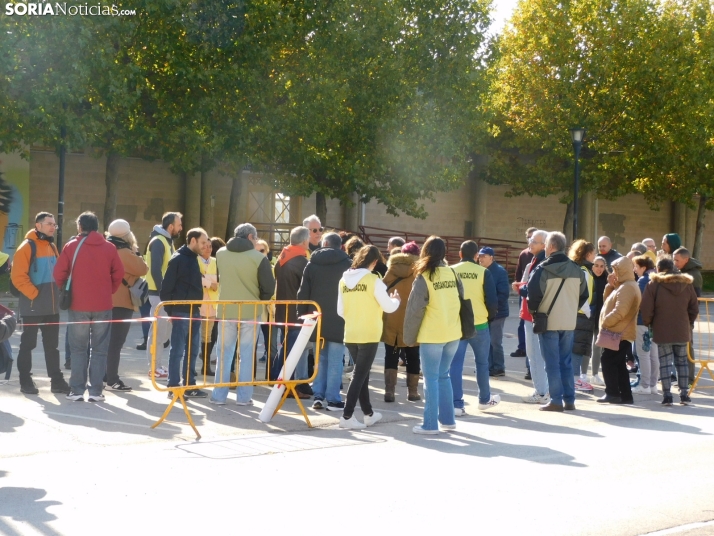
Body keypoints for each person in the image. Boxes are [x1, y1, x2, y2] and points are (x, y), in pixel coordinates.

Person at [54, 212, 124, 402]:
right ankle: (96, 392)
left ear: (80, 226)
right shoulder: (109, 248)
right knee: (100, 349)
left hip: (78, 304)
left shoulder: (71, 246)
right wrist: (109, 289)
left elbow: (59, 272)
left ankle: (76, 390)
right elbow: (119, 272)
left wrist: (65, 288)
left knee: (78, 349)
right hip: (103, 304)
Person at [210, 223, 275, 406]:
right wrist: (260, 298)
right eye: (255, 238)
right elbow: (269, 287)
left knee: (224, 353)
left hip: (225, 309)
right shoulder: (258, 258)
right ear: (250, 237)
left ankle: (218, 396)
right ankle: (244, 397)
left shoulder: (220, 254)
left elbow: (219, 278)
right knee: (246, 354)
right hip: (250, 310)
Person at [404, 236, 462, 434]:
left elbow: (414, 310)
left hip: (432, 334)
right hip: (453, 332)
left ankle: (430, 424)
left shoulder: (424, 276)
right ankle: (448, 420)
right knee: (443, 376)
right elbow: (461, 300)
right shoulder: (453, 273)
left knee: (431, 379)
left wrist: (409, 337)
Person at [337, 245, 400, 429]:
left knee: (361, 374)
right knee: (359, 375)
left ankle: (368, 414)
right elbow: (389, 307)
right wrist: (396, 299)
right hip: (369, 332)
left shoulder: (343, 279)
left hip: (351, 332)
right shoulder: (373, 280)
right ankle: (347, 416)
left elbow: (340, 310)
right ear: (373, 262)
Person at [11, 212, 70, 395]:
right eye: (49, 224)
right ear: (38, 226)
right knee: (28, 344)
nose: (53, 227)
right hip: (32, 306)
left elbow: (59, 272)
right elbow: (17, 277)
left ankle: (57, 381)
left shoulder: (52, 246)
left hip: (52, 307)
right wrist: (35, 295)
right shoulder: (26, 247)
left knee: (52, 346)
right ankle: (25, 381)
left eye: (54, 224)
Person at [527, 232, 587, 412]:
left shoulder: (542, 269)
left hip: (548, 321)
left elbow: (533, 296)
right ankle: (569, 400)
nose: (545, 248)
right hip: (569, 322)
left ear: (551, 247)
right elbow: (583, 295)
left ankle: (555, 400)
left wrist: (536, 313)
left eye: (546, 245)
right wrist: (569, 308)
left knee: (551, 363)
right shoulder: (577, 269)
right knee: (566, 362)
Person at [297, 232, 352, 411]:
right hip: (339, 318)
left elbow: (303, 293)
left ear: (325, 243)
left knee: (320, 360)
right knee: (336, 360)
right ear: (340, 245)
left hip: (317, 317)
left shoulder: (312, 264)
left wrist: (302, 316)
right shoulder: (348, 265)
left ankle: (318, 396)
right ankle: (334, 399)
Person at [640, 257, 698, 405]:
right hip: (682, 328)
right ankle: (684, 394)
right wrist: (688, 322)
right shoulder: (687, 284)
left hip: (662, 328)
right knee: (682, 362)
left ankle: (667, 395)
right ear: (673, 268)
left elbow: (646, 309)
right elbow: (694, 308)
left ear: (658, 269)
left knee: (665, 362)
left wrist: (649, 323)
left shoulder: (653, 285)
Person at [159, 228, 210, 398]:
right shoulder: (178, 259)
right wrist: (171, 312)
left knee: (193, 350)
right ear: (193, 241)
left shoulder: (195, 259)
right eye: (203, 242)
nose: (205, 246)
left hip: (194, 311)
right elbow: (166, 289)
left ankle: (189, 385)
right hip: (180, 312)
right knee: (178, 350)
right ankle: (173, 386)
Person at [450, 240, 499, 415]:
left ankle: (457, 404)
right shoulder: (483, 272)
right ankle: (484, 399)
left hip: (459, 324)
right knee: (482, 363)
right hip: (480, 323)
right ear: (477, 256)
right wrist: (489, 317)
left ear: (460, 254)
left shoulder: (452, 270)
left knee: (455, 364)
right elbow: (492, 301)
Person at [105, 219, 148, 391]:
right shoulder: (125, 252)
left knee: (104, 342)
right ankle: (112, 379)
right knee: (116, 342)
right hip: (121, 302)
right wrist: (136, 252)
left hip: (104, 300)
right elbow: (143, 269)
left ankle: (102, 374)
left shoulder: (106, 249)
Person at [272, 226, 311, 396]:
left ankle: (280, 382)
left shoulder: (283, 257)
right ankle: (284, 386)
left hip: (283, 310)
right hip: (297, 312)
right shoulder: (301, 262)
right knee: (291, 352)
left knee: (286, 348)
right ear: (304, 241)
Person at [596, 256, 641, 405]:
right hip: (620, 333)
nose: (613, 273)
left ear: (622, 270)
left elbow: (620, 311)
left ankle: (612, 393)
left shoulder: (627, 287)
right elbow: (609, 302)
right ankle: (625, 395)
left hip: (619, 333)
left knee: (607, 360)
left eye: (616, 270)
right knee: (619, 363)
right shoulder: (625, 285)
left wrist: (605, 322)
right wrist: (611, 286)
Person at [381, 241, 421, 402]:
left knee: (390, 355)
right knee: (413, 356)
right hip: (412, 319)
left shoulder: (391, 270)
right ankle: (412, 392)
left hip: (392, 316)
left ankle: (389, 391)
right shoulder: (418, 271)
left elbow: (382, 290)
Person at [145, 212, 183, 378]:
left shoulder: (166, 242)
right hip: (159, 295)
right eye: (179, 225)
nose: (181, 228)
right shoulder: (159, 242)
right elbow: (155, 270)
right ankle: (154, 367)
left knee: (162, 333)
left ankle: (157, 365)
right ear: (170, 226)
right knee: (158, 333)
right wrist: (164, 294)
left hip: (164, 295)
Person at [516, 230, 549, 404]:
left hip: (534, 315)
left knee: (535, 355)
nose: (530, 243)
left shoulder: (542, 263)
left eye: (534, 241)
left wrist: (521, 289)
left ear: (545, 245)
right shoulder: (534, 261)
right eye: (530, 240)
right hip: (531, 314)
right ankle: (544, 390)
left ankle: (541, 392)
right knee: (536, 354)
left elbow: (532, 290)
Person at [567, 240, 595, 392]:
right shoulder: (584, 271)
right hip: (581, 313)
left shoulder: (576, 268)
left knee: (575, 346)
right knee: (578, 347)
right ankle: (575, 379)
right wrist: (589, 312)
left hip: (575, 312)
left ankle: (574, 378)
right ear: (588, 254)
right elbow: (582, 295)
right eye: (593, 253)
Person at [477, 247, 509, 377]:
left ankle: (499, 367)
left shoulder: (499, 272)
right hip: (485, 312)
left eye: (484, 256)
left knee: (495, 341)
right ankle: (488, 366)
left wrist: (493, 307)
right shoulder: (480, 271)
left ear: (491, 257)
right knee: (486, 341)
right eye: (480, 256)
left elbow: (503, 294)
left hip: (497, 313)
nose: (481, 258)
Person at [673, 246, 702, 383]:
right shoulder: (681, 271)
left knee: (687, 348)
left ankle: (689, 379)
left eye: (677, 260)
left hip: (686, 317)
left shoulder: (694, 275)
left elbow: (695, 301)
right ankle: (682, 377)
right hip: (679, 316)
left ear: (686, 259)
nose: (675, 263)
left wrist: (689, 319)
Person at [631, 255, 658, 395]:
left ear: (643, 267)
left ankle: (645, 385)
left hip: (642, 321)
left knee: (643, 354)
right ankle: (653, 385)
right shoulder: (657, 279)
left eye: (636, 266)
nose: (634, 269)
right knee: (653, 354)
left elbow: (638, 302)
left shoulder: (643, 281)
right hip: (655, 323)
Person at [512, 227, 537, 368]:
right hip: (524, 292)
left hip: (535, 294)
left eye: (533, 238)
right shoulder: (524, 254)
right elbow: (518, 273)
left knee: (532, 325)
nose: (530, 240)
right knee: (522, 323)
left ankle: (531, 360)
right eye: (528, 237)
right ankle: (522, 347)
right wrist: (519, 288)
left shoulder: (542, 256)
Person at [197, 235, 220, 377]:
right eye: (205, 246)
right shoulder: (194, 261)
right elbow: (195, 277)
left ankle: (205, 367)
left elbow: (219, 281)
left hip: (211, 304)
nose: (208, 249)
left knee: (208, 336)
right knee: (193, 336)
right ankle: (189, 366)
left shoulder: (216, 262)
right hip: (198, 303)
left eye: (210, 246)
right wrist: (209, 283)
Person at [588, 256, 608, 386]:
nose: (599, 269)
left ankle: (595, 374)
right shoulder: (588, 278)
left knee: (597, 346)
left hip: (602, 318)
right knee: (585, 346)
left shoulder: (609, 280)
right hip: (588, 316)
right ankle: (583, 374)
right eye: (596, 265)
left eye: (602, 266)